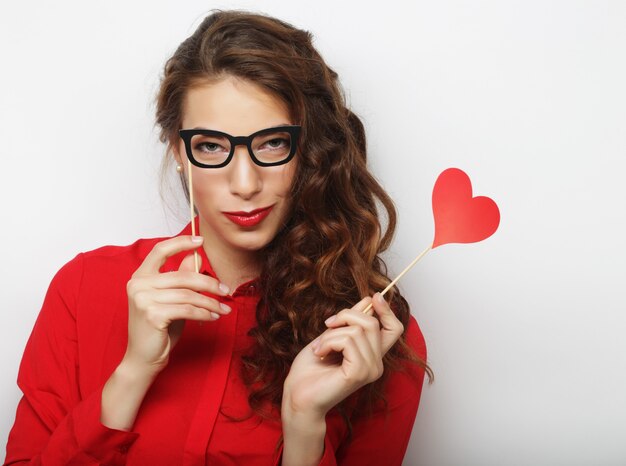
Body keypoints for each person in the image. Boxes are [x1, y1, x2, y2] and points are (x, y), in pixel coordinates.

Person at [4, 10, 432, 466]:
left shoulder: (373, 333)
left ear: (308, 150)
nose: (245, 184)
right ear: (180, 154)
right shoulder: (83, 287)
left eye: (272, 143)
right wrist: (133, 373)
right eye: (210, 146)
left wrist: (304, 423)